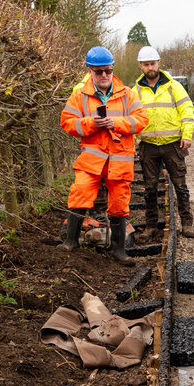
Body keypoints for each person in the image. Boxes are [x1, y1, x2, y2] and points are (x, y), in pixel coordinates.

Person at [61, 46, 149, 262]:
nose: (104, 75)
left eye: (108, 71)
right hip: (92, 159)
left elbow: (142, 120)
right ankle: (70, 243)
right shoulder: (80, 95)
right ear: (90, 71)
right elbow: (67, 122)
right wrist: (91, 123)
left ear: (112, 69)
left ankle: (119, 251)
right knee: (79, 193)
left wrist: (115, 122)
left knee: (119, 204)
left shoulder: (127, 94)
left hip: (119, 160)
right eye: (99, 71)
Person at [132, 45, 194, 232]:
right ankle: (151, 226)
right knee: (150, 188)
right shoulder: (135, 91)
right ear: (140, 66)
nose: (150, 68)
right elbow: (131, 118)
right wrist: (132, 142)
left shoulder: (174, 87)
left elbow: (187, 111)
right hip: (148, 146)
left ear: (159, 63)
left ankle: (187, 224)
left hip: (173, 145)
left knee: (180, 185)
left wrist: (187, 136)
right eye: (146, 64)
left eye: (152, 63)